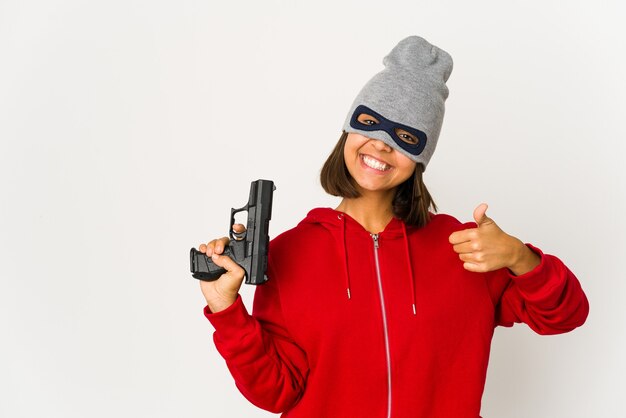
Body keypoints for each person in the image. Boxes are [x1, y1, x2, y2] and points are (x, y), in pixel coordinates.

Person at [197, 36, 589, 418]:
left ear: (421, 155)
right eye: (371, 123)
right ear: (349, 131)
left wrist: (521, 258)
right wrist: (225, 307)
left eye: (405, 136)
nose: (382, 145)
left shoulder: (465, 247)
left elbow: (566, 315)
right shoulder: (288, 253)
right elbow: (276, 392)